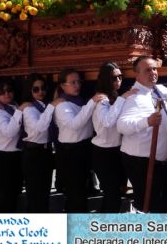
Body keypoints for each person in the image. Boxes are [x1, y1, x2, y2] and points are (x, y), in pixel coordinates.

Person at [117, 56, 167, 213]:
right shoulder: (134, 97)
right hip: (141, 162)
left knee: (164, 202)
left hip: (162, 161)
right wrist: (146, 121)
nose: (153, 73)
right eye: (148, 70)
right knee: (147, 204)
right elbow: (122, 126)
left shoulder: (158, 90)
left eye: (155, 69)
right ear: (137, 75)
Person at [53, 68, 103, 213]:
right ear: (63, 86)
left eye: (78, 82)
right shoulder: (62, 104)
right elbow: (75, 125)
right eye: (72, 82)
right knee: (75, 194)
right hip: (71, 152)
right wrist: (91, 103)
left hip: (83, 148)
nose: (77, 85)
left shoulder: (80, 100)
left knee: (81, 191)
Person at [91, 62, 137, 213]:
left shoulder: (114, 97)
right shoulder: (102, 100)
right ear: (105, 80)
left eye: (120, 77)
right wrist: (122, 98)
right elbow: (107, 122)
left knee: (115, 194)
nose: (118, 80)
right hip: (103, 153)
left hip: (117, 151)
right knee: (113, 195)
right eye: (113, 78)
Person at [19, 74, 56, 214]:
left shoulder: (45, 106)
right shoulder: (29, 108)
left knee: (44, 193)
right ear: (30, 90)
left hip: (45, 152)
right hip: (33, 153)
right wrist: (52, 107)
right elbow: (39, 128)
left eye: (43, 88)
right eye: (36, 89)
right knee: (35, 196)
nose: (41, 92)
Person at [0, 78, 23, 213]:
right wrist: (20, 112)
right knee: (4, 197)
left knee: (13, 195)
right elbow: (10, 132)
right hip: (1, 158)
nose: (6, 94)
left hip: (15, 155)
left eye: (9, 90)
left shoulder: (14, 106)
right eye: (1, 92)